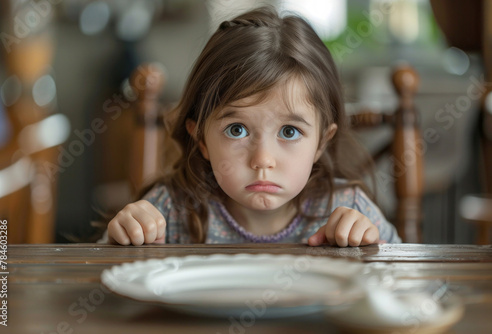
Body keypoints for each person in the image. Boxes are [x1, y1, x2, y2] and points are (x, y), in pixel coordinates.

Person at [103, 6, 401, 246]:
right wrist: (127, 238)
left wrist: (370, 248)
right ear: (202, 139)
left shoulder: (348, 208)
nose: (262, 160)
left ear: (321, 142)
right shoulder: (171, 209)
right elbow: (102, 280)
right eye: (237, 130)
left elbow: (406, 279)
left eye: (289, 132)